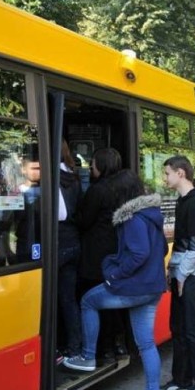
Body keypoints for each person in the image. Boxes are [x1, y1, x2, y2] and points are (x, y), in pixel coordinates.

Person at [63, 169, 167, 390]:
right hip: (153, 288)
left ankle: (88, 356)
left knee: (88, 301)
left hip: (134, 287)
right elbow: (162, 250)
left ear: (122, 194)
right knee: (147, 345)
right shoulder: (152, 214)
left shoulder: (132, 217)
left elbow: (139, 253)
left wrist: (115, 274)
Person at [159, 155, 195, 390]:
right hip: (184, 274)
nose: (164, 178)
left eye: (167, 173)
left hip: (193, 277)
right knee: (179, 328)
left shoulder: (194, 204)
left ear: (180, 173)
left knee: (194, 330)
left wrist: (180, 275)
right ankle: (182, 379)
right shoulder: (184, 201)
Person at [76, 147, 125, 360]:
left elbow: (84, 220)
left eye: (93, 163)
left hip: (97, 255)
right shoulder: (123, 189)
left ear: (101, 165)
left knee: (93, 302)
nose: (90, 167)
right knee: (112, 304)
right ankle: (116, 345)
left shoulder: (98, 190)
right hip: (116, 253)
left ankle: (98, 350)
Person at [57, 140, 82, 357]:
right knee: (68, 298)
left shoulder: (49, 177)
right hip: (73, 240)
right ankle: (74, 346)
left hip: (57, 242)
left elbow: (58, 214)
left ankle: (57, 345)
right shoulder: (73, 177)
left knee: (51, 298)